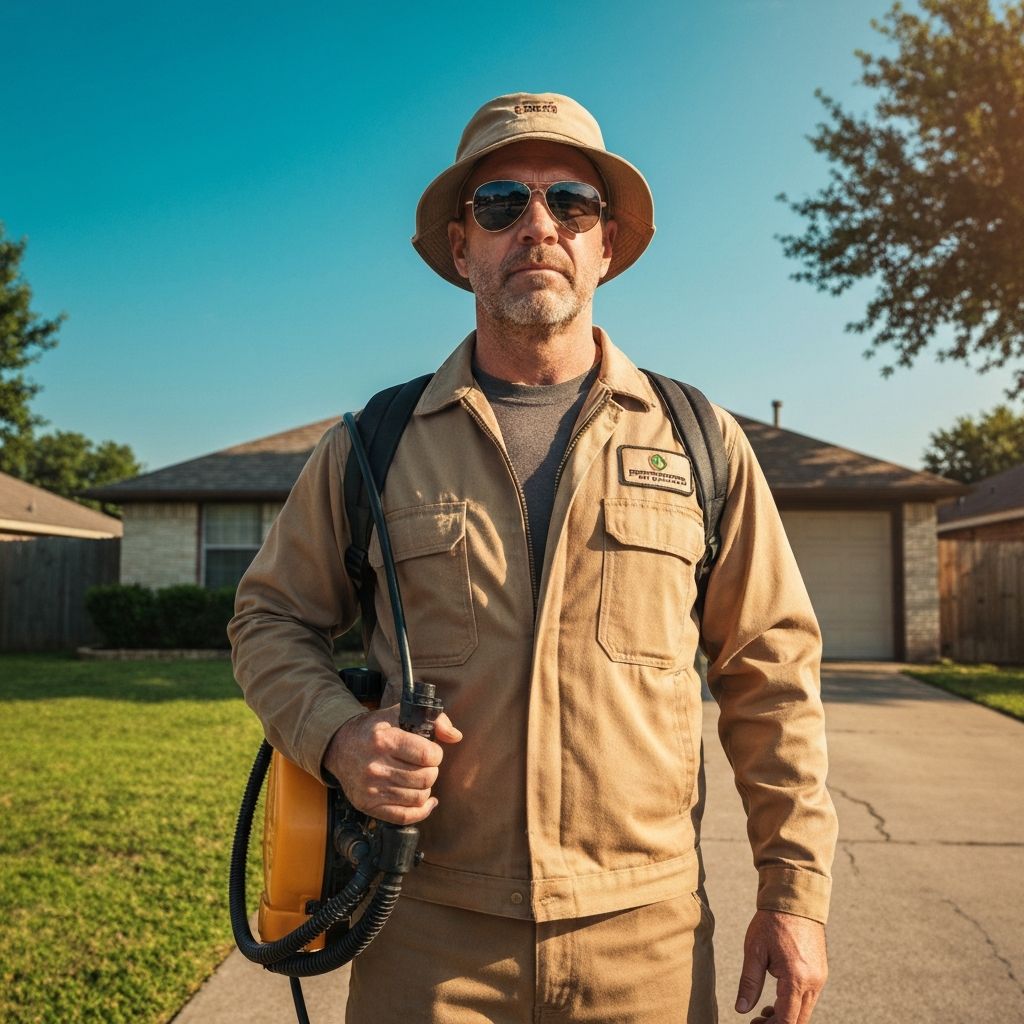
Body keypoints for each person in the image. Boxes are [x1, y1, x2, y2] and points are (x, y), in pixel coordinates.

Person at [229, 92, 838, 1024]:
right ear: (462, 246)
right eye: (503, 202)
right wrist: (340, 738)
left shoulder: (698, 439)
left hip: (647, 942)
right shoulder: (374, 444)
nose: (539, 226)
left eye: (573, 204)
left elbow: (772, 672)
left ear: (606, 247)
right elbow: (268, 618)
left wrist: (793, 892)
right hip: (427, 935)